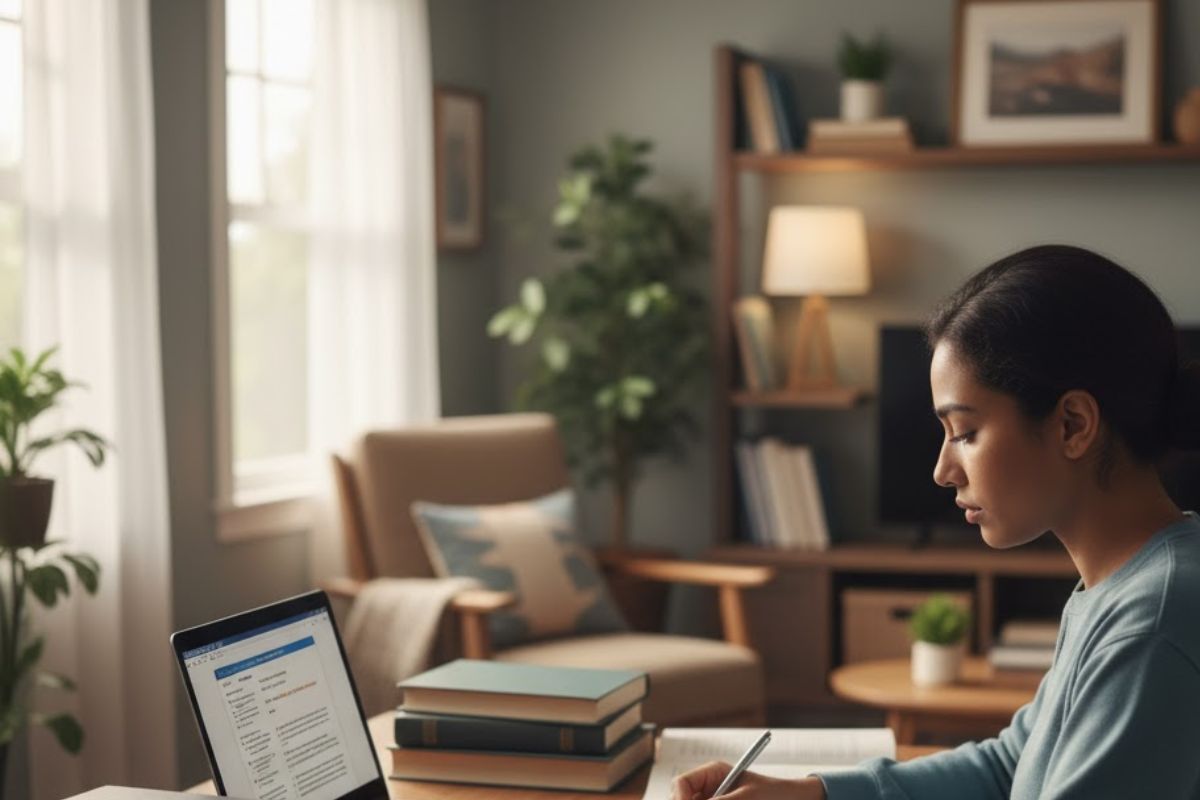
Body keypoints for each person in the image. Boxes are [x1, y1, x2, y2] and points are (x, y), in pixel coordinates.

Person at [673, 245, 1200, 800]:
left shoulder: (1155, 623)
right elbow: (1008, 768)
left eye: (966, 432)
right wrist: (810, 794)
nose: (943, 470)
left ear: (1072, 424)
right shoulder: (1125, 589)